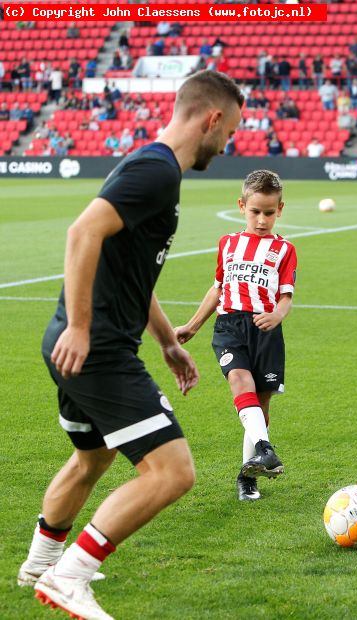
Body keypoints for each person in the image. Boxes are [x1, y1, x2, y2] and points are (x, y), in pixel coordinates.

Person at [17, 70, 243, 620]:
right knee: (173, 471)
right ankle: (68, 578)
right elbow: (82, 232)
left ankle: (40, 565)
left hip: (75, 344)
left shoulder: (155, 166)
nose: (228, 143)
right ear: (211, 118)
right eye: (230, 131)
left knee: (92, 457)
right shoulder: (157, 170)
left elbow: (132, 274)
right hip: (93, 349)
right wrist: (80, 324)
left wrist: (168, 343)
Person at [175, 170, 297, 502]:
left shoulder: (285, 250)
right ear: (241, 205)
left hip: (266, 329)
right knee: (239, 381)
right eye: (255, 211)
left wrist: (276, 315)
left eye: (269, 213)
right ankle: (266, 450)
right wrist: (193, 324)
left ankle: (248, 476)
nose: (261, 219)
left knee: (261, 402)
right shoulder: (228, 244)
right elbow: (218, 288)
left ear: (280, 210)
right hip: (229, 325)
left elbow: (286, 295)